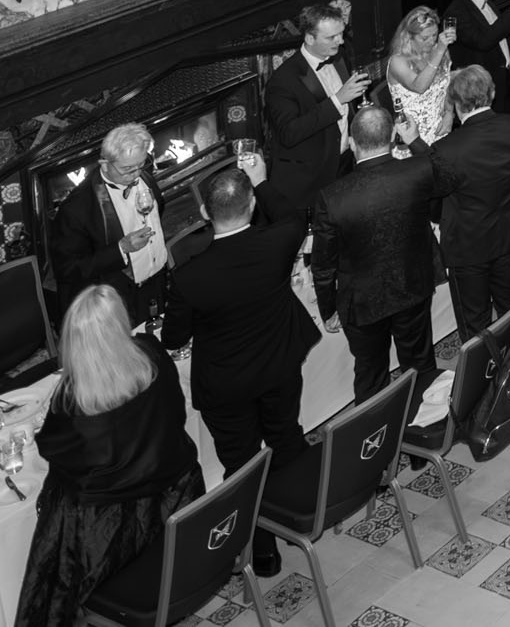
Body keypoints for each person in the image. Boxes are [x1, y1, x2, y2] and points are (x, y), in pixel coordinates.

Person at [160, 166, 316, 577]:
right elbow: (291, 216)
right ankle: (300, 519)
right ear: (252, 205)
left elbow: (174, 338)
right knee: (286, 439)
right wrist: (261, 180)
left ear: (203, 213)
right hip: (279, 367)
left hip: (225, 385)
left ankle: (261, 553)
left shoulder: (189, 275)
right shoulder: (279, 241)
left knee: (242, 465)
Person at [17, 287, 203, 626]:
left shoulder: (73, 402)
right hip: (171, 511)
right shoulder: (152, 355)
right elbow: (176, 412)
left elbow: (52, 450)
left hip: (107, 546)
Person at [310, 108, 438, 412]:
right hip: (412, 285)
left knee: (371, 376)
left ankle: (375, 438)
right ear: (393, 135)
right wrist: (415, 141)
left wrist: (328, 308)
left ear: (352, 143)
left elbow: (323, 264)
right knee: (419, 364)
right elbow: (446, 171)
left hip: (362, 302)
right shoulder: (418, 170)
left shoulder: (332, 196)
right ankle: (426, 429)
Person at [415, 66, 510, 337]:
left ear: (456, 102)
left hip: (468, 247)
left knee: (474, 320)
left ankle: (484, 365)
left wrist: (415, 144)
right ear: (492, 92)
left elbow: (433, 197)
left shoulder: (447, 149)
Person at [48, 123, 170, 321]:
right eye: (127, 169)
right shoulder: (76, 208)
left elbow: (159, 210)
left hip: (157, 282)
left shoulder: (144, 177)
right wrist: (121, 249)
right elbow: (67, 270)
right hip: (120, 299)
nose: (136, 174)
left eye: (141, 164)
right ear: (104, 164)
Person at [263, 0, 369, 216]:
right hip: (311, 179)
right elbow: (289, 133)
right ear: (310, 38)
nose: (340, 41)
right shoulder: (283, 80)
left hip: (345, 164)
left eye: (341, 34)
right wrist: (337, 100)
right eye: (331, 37)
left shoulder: (339, 55)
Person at [385, 5, 456, 143]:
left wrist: (449, 113)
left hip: (441, 132)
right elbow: (419, 87)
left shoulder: (441, 51)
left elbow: (447, 85)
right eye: (425, 38)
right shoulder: (397, 61)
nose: (432, 41)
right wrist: (439, 52)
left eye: (434, 35)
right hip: (412, 139)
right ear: (408, 37)